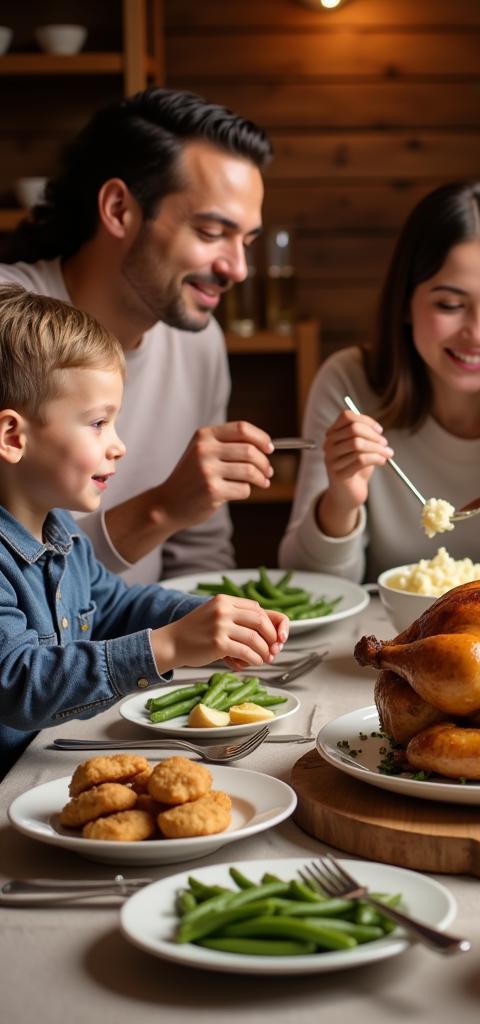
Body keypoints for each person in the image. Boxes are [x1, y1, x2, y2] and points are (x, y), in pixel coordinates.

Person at [0, 286, 288, 776]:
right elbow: (20, 684)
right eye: (97, 423)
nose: (119, 447)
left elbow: (115, 606)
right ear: (13, 436)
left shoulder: (60, 531)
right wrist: (169, 646)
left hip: (39, 767)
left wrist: (206, 620)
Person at [0, 88, 277, 585]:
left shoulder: (200, 342)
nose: (237, 269)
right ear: (119, 209)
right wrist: (160, 511)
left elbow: (200, 554)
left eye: (247, 241)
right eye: (212, 233)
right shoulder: (6, 317)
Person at [279, 181, 480, 582]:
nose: (479, 333)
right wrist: (341, 501)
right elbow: (310, 587)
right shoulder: (349, 384)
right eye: (450, 305)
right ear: (405, 303)